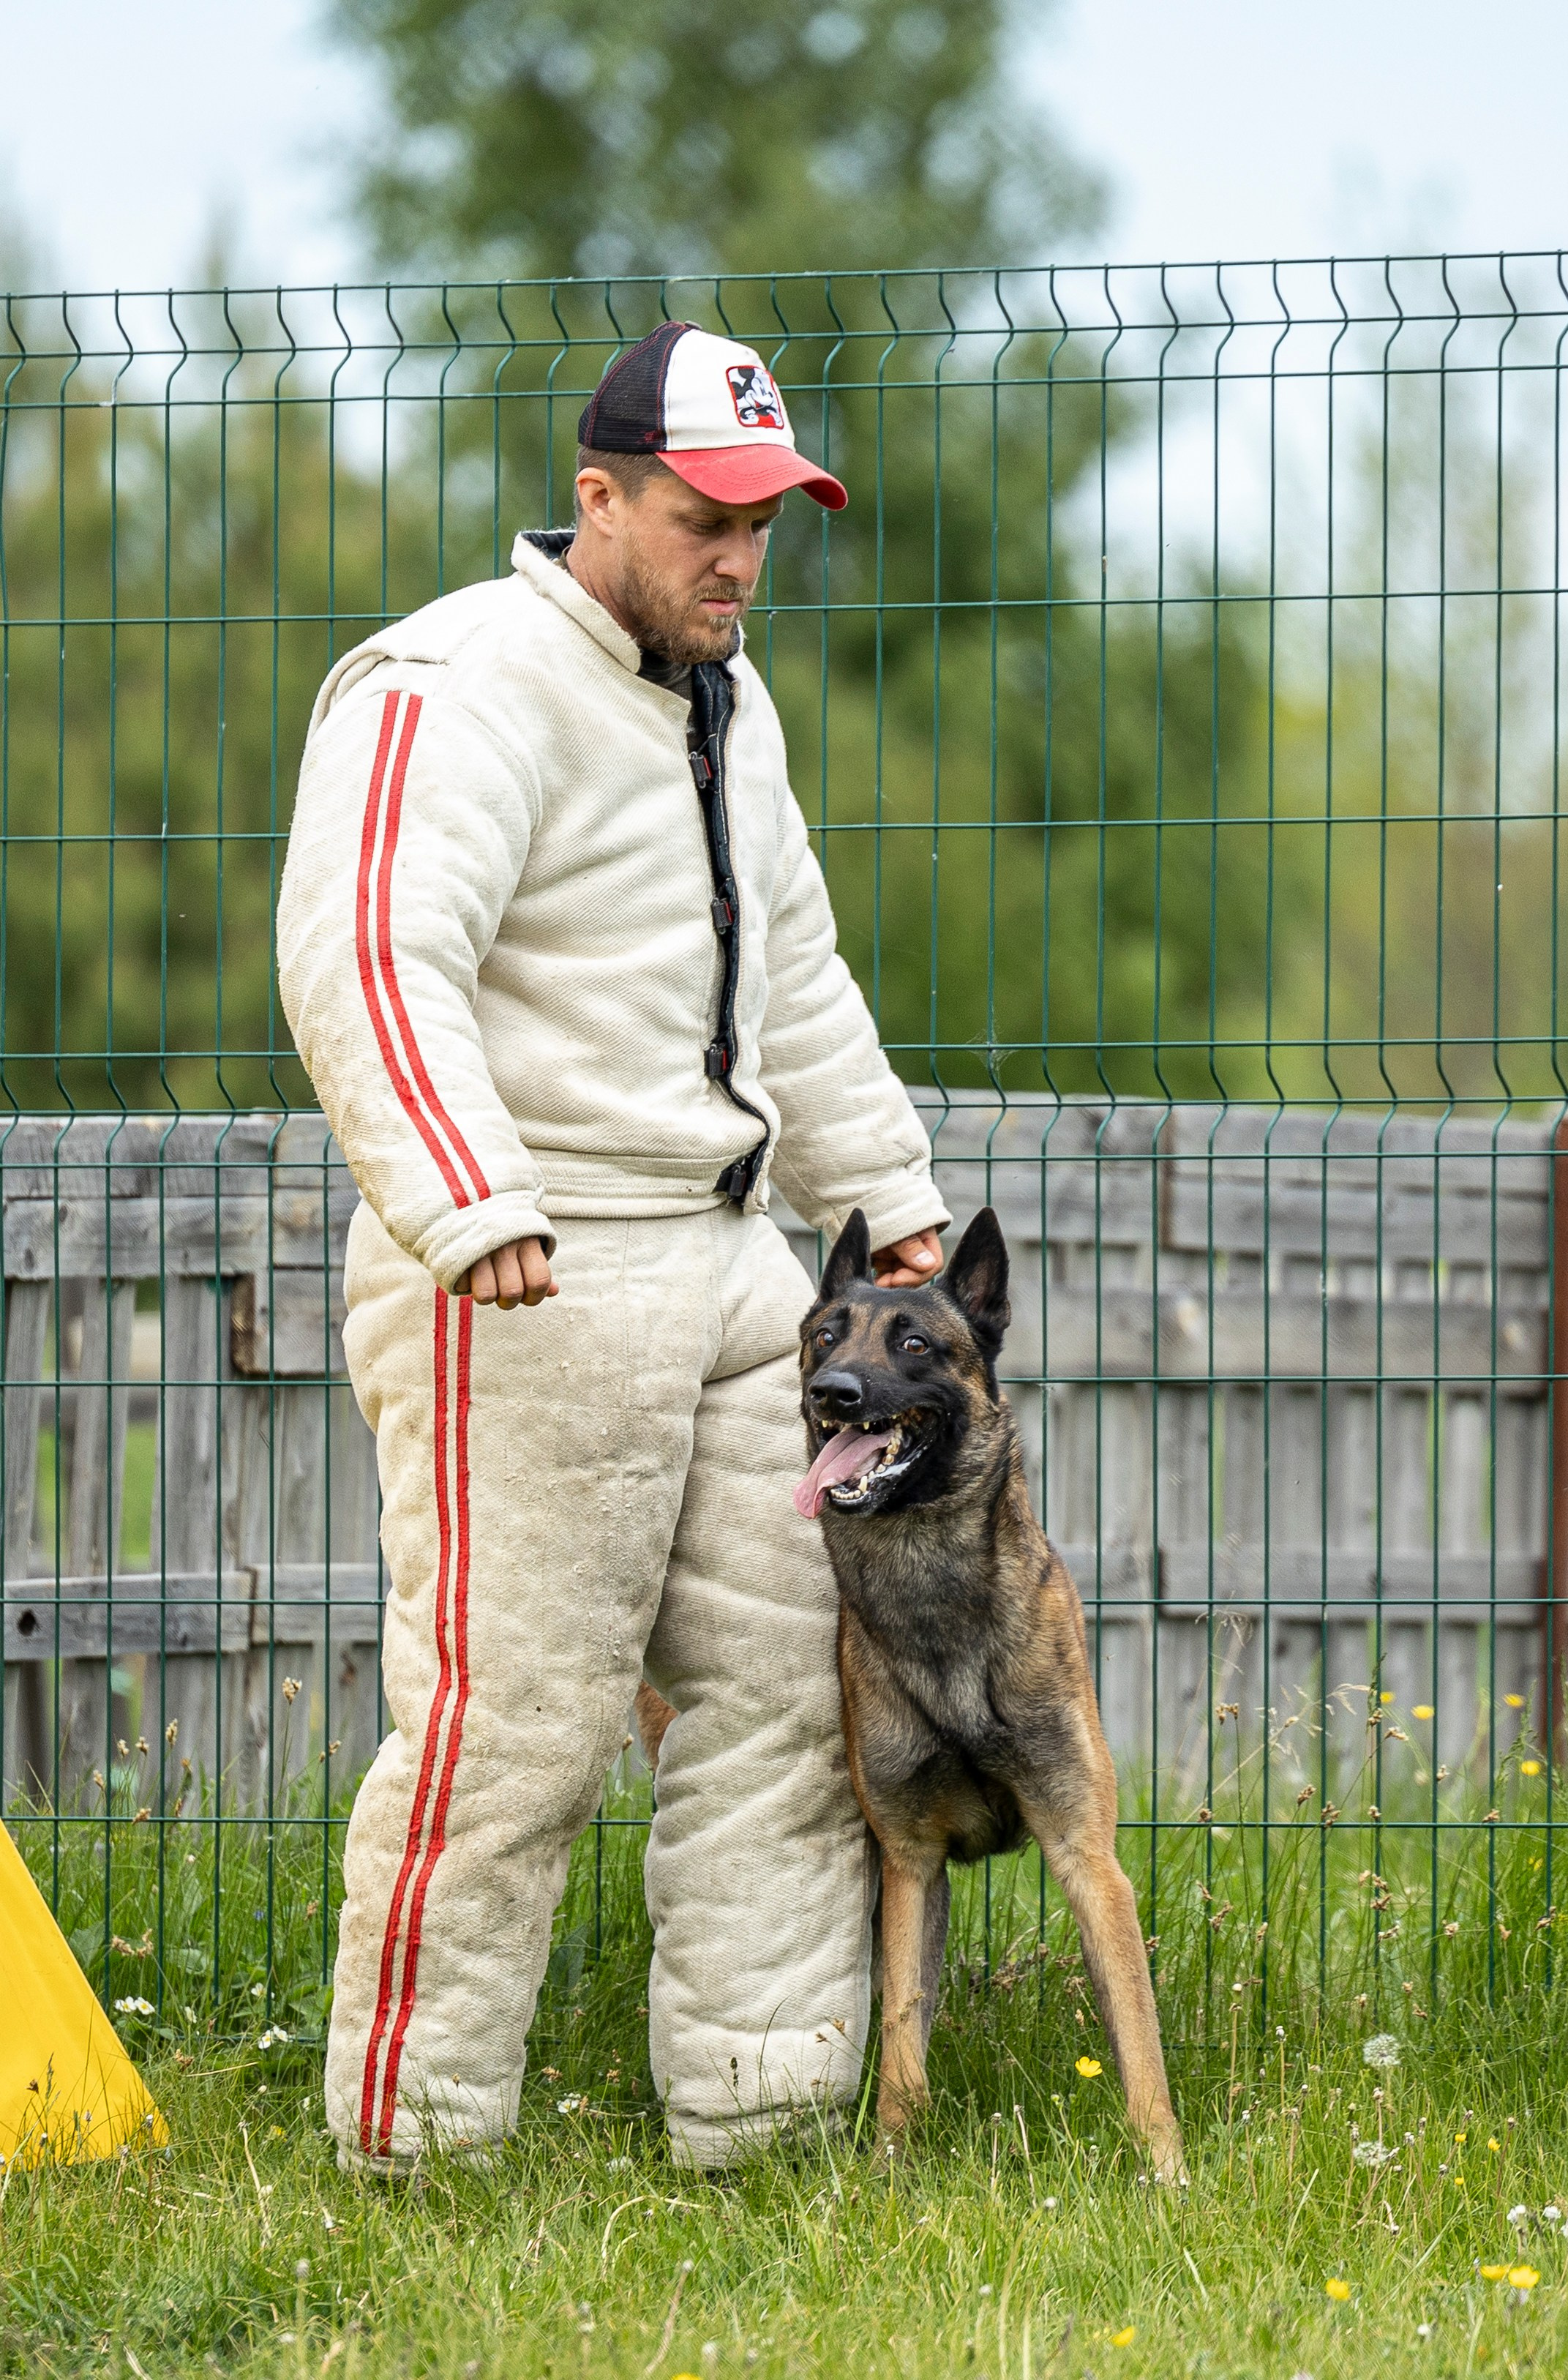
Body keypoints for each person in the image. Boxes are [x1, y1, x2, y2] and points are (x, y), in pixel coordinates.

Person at [277, 322, 950, 2174]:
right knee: (513, 1739)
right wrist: (465, 1196)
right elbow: (365, 946)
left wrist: (889, 1204)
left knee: (787, 1712)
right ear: (597, 498)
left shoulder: (734, 706)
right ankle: (408, 2156)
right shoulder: (453, 683)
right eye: (700, 517)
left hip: (747, 1282)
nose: (739, 558)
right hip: (533, 1269)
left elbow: (792, 981)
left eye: (765, 522)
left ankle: (770, 2124)